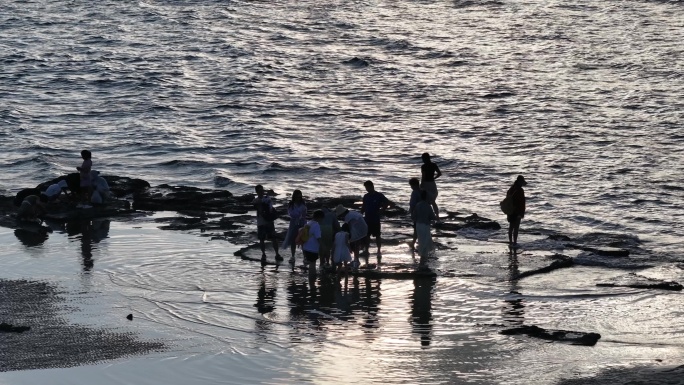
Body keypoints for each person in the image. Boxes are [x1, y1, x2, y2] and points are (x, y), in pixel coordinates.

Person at [253, 184, 282, 261]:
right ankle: (263, 254)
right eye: (260, 191)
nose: (261, 192)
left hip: (269, 221)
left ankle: (277, 254)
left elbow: (270, 207)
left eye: (262, 190)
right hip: (261, 222)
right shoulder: (256, 200)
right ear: (256, 192)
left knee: (274, 238)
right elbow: (257, 206)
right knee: (262, 239)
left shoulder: (267, 199)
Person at [334, 204, 368, 269]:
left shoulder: (347, 217)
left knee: (355, 245)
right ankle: (356, 259)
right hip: (364, 228)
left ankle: (356, 260)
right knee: (356, 245)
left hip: (359, 230)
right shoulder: (352, 213)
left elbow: (347, 227)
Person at [361, 180, 390, 257]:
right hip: (367, 219)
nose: (366, 189)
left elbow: (387, 202)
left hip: (375, 219)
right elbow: (363, 206)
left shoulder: (379, 195)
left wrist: (382, 210)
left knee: (377, 235)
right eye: (366, 188)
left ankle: (379, 251)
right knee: (366, 235)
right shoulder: (366, 196)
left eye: (367, 187)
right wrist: (360, 214)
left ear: (371, 186)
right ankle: (366, 250)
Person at [281, 190, 307, 264]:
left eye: (300, 196)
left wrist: (299, 214)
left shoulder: (303, 203)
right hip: (293, 223)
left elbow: (304, 213)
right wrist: (299, 213)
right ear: (294, 196)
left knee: (303, 240)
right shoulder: (291, 204)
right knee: (293, 240)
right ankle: (292, 256)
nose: (299, 198)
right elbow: (291, 214)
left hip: (302, 222)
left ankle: (305, 257)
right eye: (297, 196)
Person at [414, 190, 436, 267]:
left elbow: (414, 216)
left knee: (421, 240)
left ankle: (422, 258)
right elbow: (432, 216)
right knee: (425, 241)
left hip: (418, 225)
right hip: (425, 225)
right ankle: (423, 258)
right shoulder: (428, 206)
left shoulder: (418, 205)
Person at [301, 210, 324, 279]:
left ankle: (311, 278)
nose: (322, 220)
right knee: (312, 263)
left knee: (311, 263)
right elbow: (318, 237)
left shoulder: (308, 223)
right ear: (319, 217)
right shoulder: (316, 225)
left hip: (305, 247)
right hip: (312, 248)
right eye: (322, 218)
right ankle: (311, 279)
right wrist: (323, 246)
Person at [506, 175, 527, 246]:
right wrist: (521, 213)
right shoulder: (520, 190)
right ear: (520, 182)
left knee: (511, 227)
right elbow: (521, 203)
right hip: (517, 211)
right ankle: (514, 243)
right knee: (516, 228)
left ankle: (510, 242)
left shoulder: (511, 189)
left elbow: (507, 199)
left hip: (510, 211)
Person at [420, 152, 442, 218]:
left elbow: (423, 176)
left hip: (426, 184)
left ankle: (427, 214)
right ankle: (437, 215)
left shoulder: (423, 166)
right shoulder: (434, 165)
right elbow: (439, 173)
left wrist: (421, 185)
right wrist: (434, 178)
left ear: (424, 159)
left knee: (425, 200)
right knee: (433, 201)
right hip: (432, 183)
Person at [408, 177, 421, 250]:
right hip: (423, 212)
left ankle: (413, 242)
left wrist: (412, 213)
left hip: (416, 213)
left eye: (411, 186)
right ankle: (417, 241)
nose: (411, 187)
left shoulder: (414, 192)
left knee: (416, 229)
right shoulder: (422, 191)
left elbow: (412, 204)